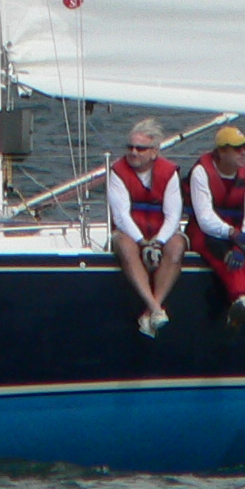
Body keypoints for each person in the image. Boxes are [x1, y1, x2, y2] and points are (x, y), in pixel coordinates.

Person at [108, 119, 185, 335]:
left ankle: (151, 310)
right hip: (131, 231)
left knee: (177, 247)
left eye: (140, 148)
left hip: (160, 231)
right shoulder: (117, 172)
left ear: (154, 152)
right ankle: (155, 308)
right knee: (126, 247)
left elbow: (173, 215)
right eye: (130, 147)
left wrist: (159, 242)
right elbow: (121, 215)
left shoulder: (169, 173)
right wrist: (142, 242)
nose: (133, 152)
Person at [188, 125, 245, 326]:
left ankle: (243, 299)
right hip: (207, 230)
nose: (244, 153)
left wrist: (242, 244)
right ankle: (240, 296)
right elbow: (205, 216)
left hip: (239, 230)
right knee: (219, 249)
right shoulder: (201, 172)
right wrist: (231, 233)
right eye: (238, 148)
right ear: (222, 151)